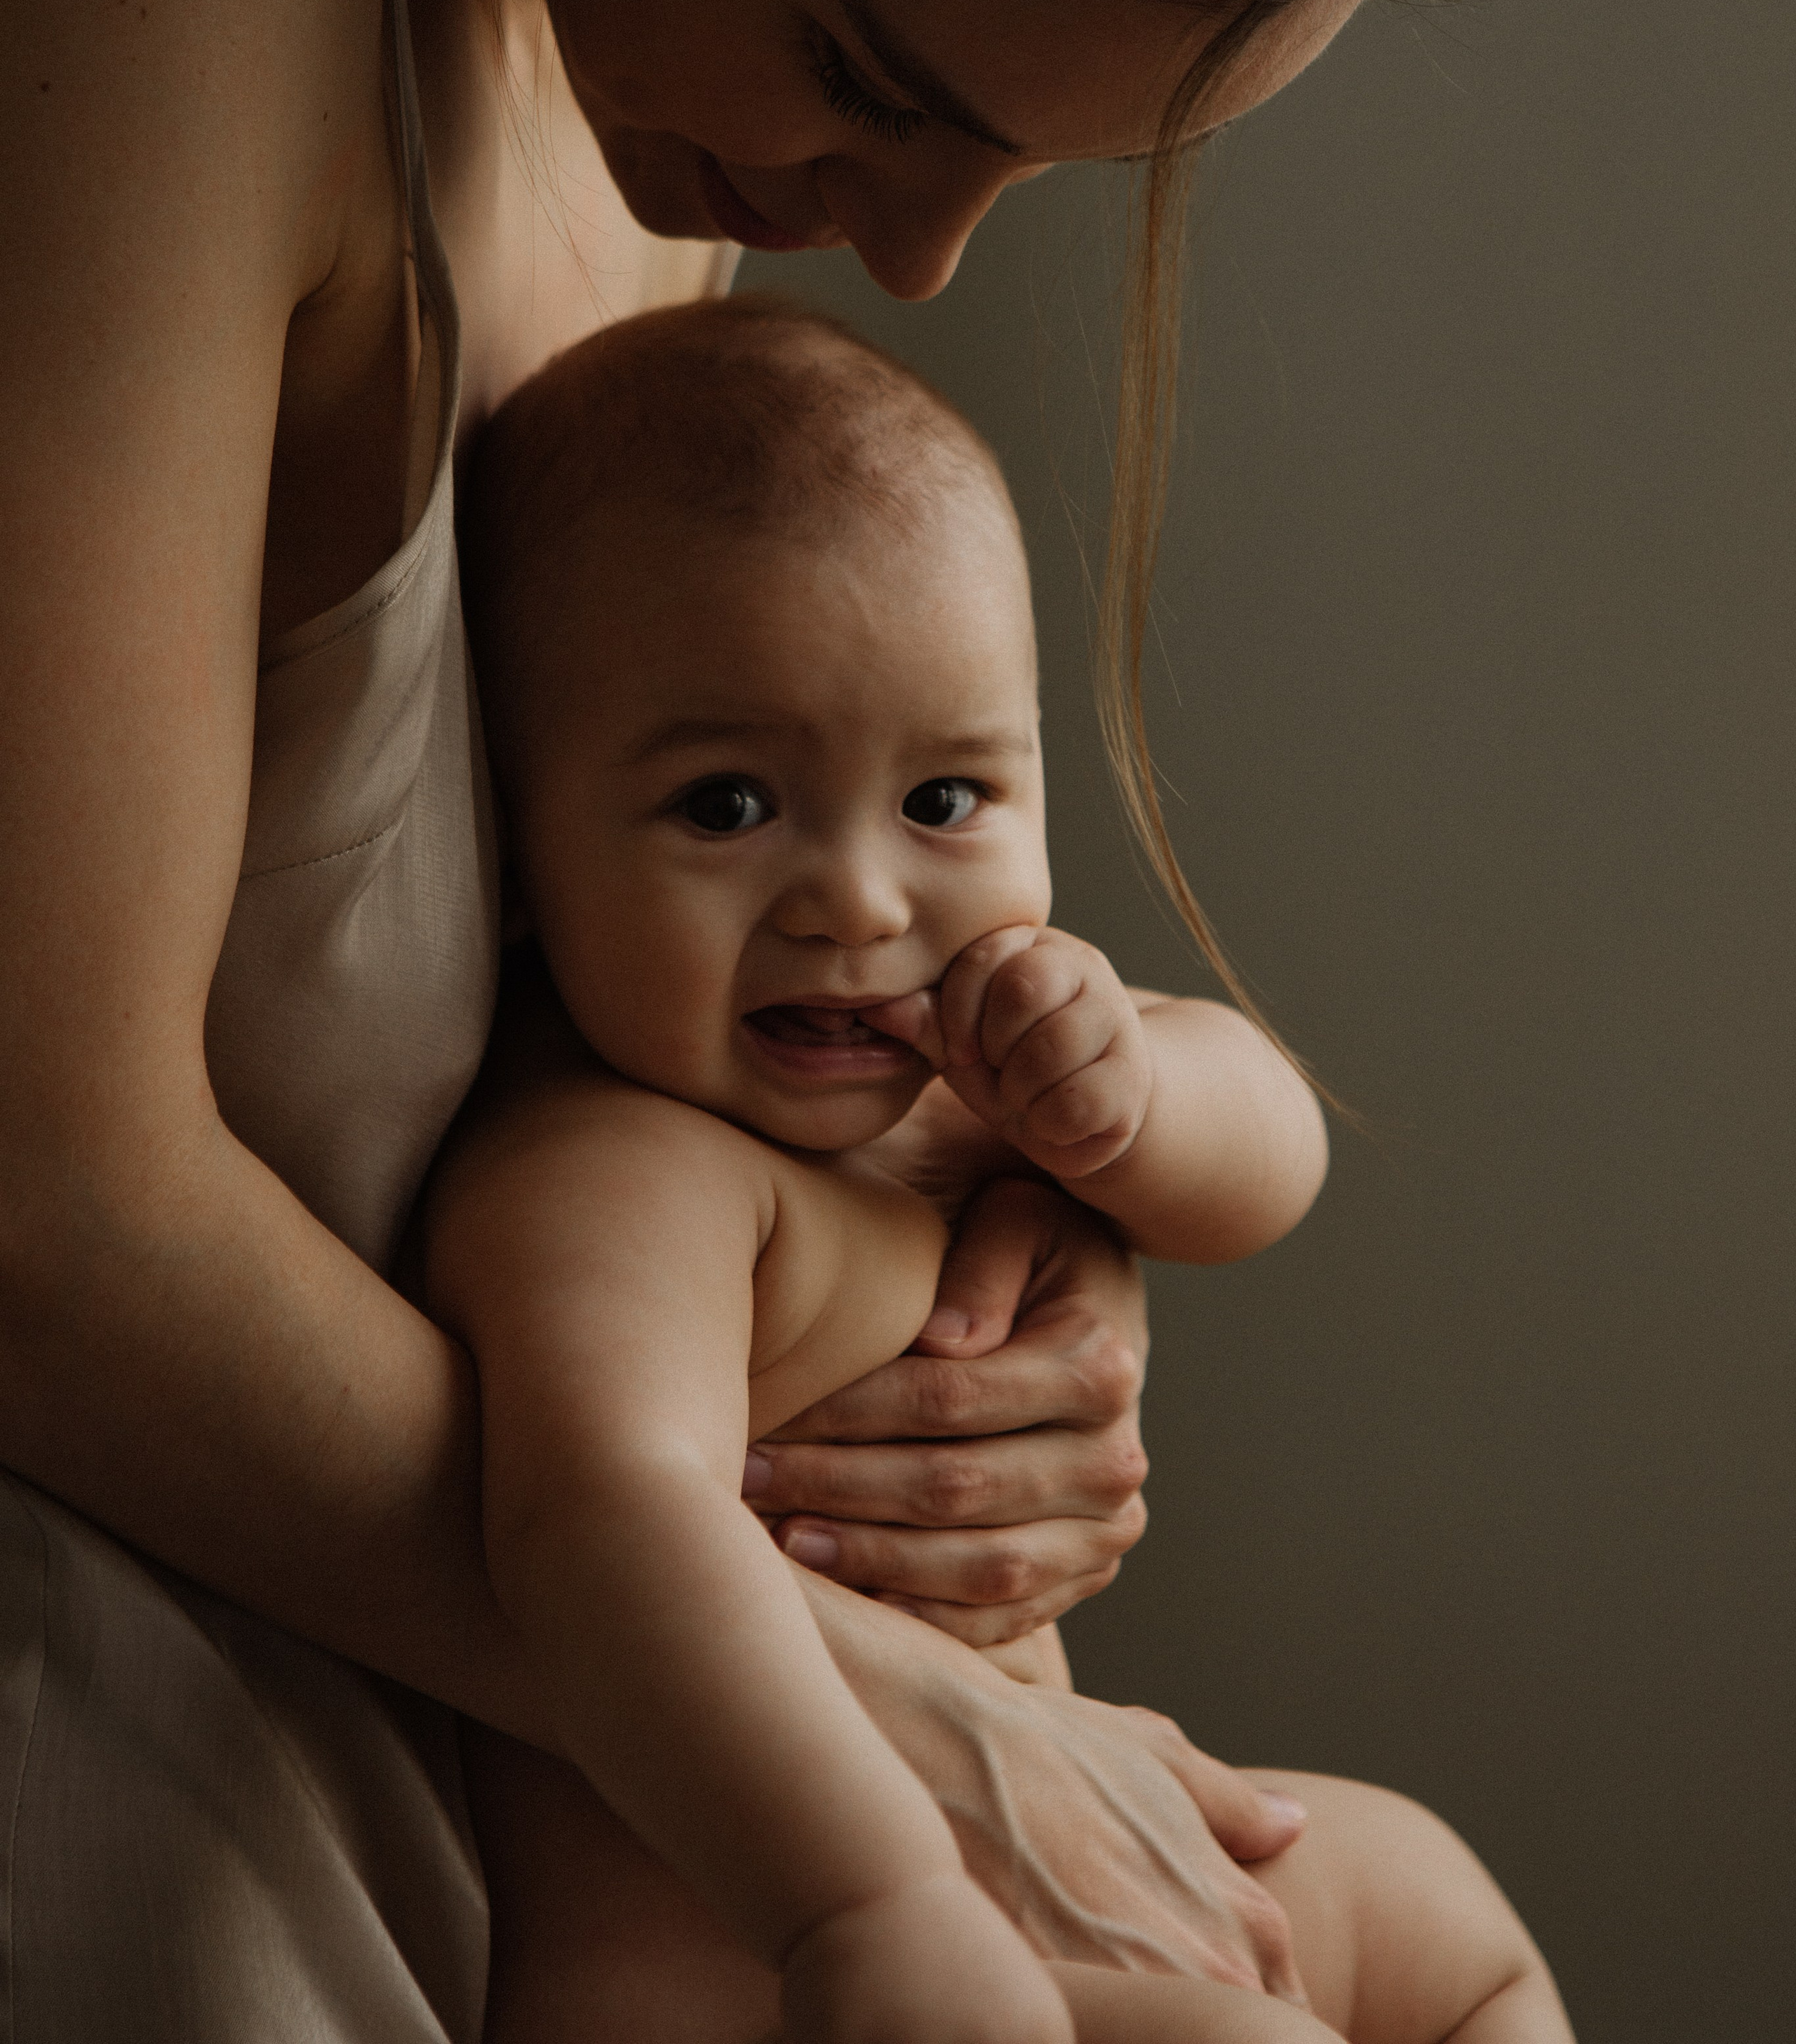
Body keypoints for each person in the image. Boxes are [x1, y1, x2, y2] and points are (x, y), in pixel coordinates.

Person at [0, 0, 1520, 2035]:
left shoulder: (620, 121)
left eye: (1030, 165)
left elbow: (459, 1102)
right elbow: (40, 1196)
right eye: (872, 77)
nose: (909, 260)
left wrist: (952, 1289)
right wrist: (853, 1726)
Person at [436, 291, 1573, 2044]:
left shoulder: (967, 1083)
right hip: (771, 1962)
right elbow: (601, 1522)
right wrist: (864, 1901)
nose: (860, 901)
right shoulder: (620, 1172)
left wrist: (1129, 1095)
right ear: (518, 855)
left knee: (1437, 1917)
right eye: (727, 804)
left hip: (1042, 1874)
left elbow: (1266, 1163)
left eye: (944, 801)